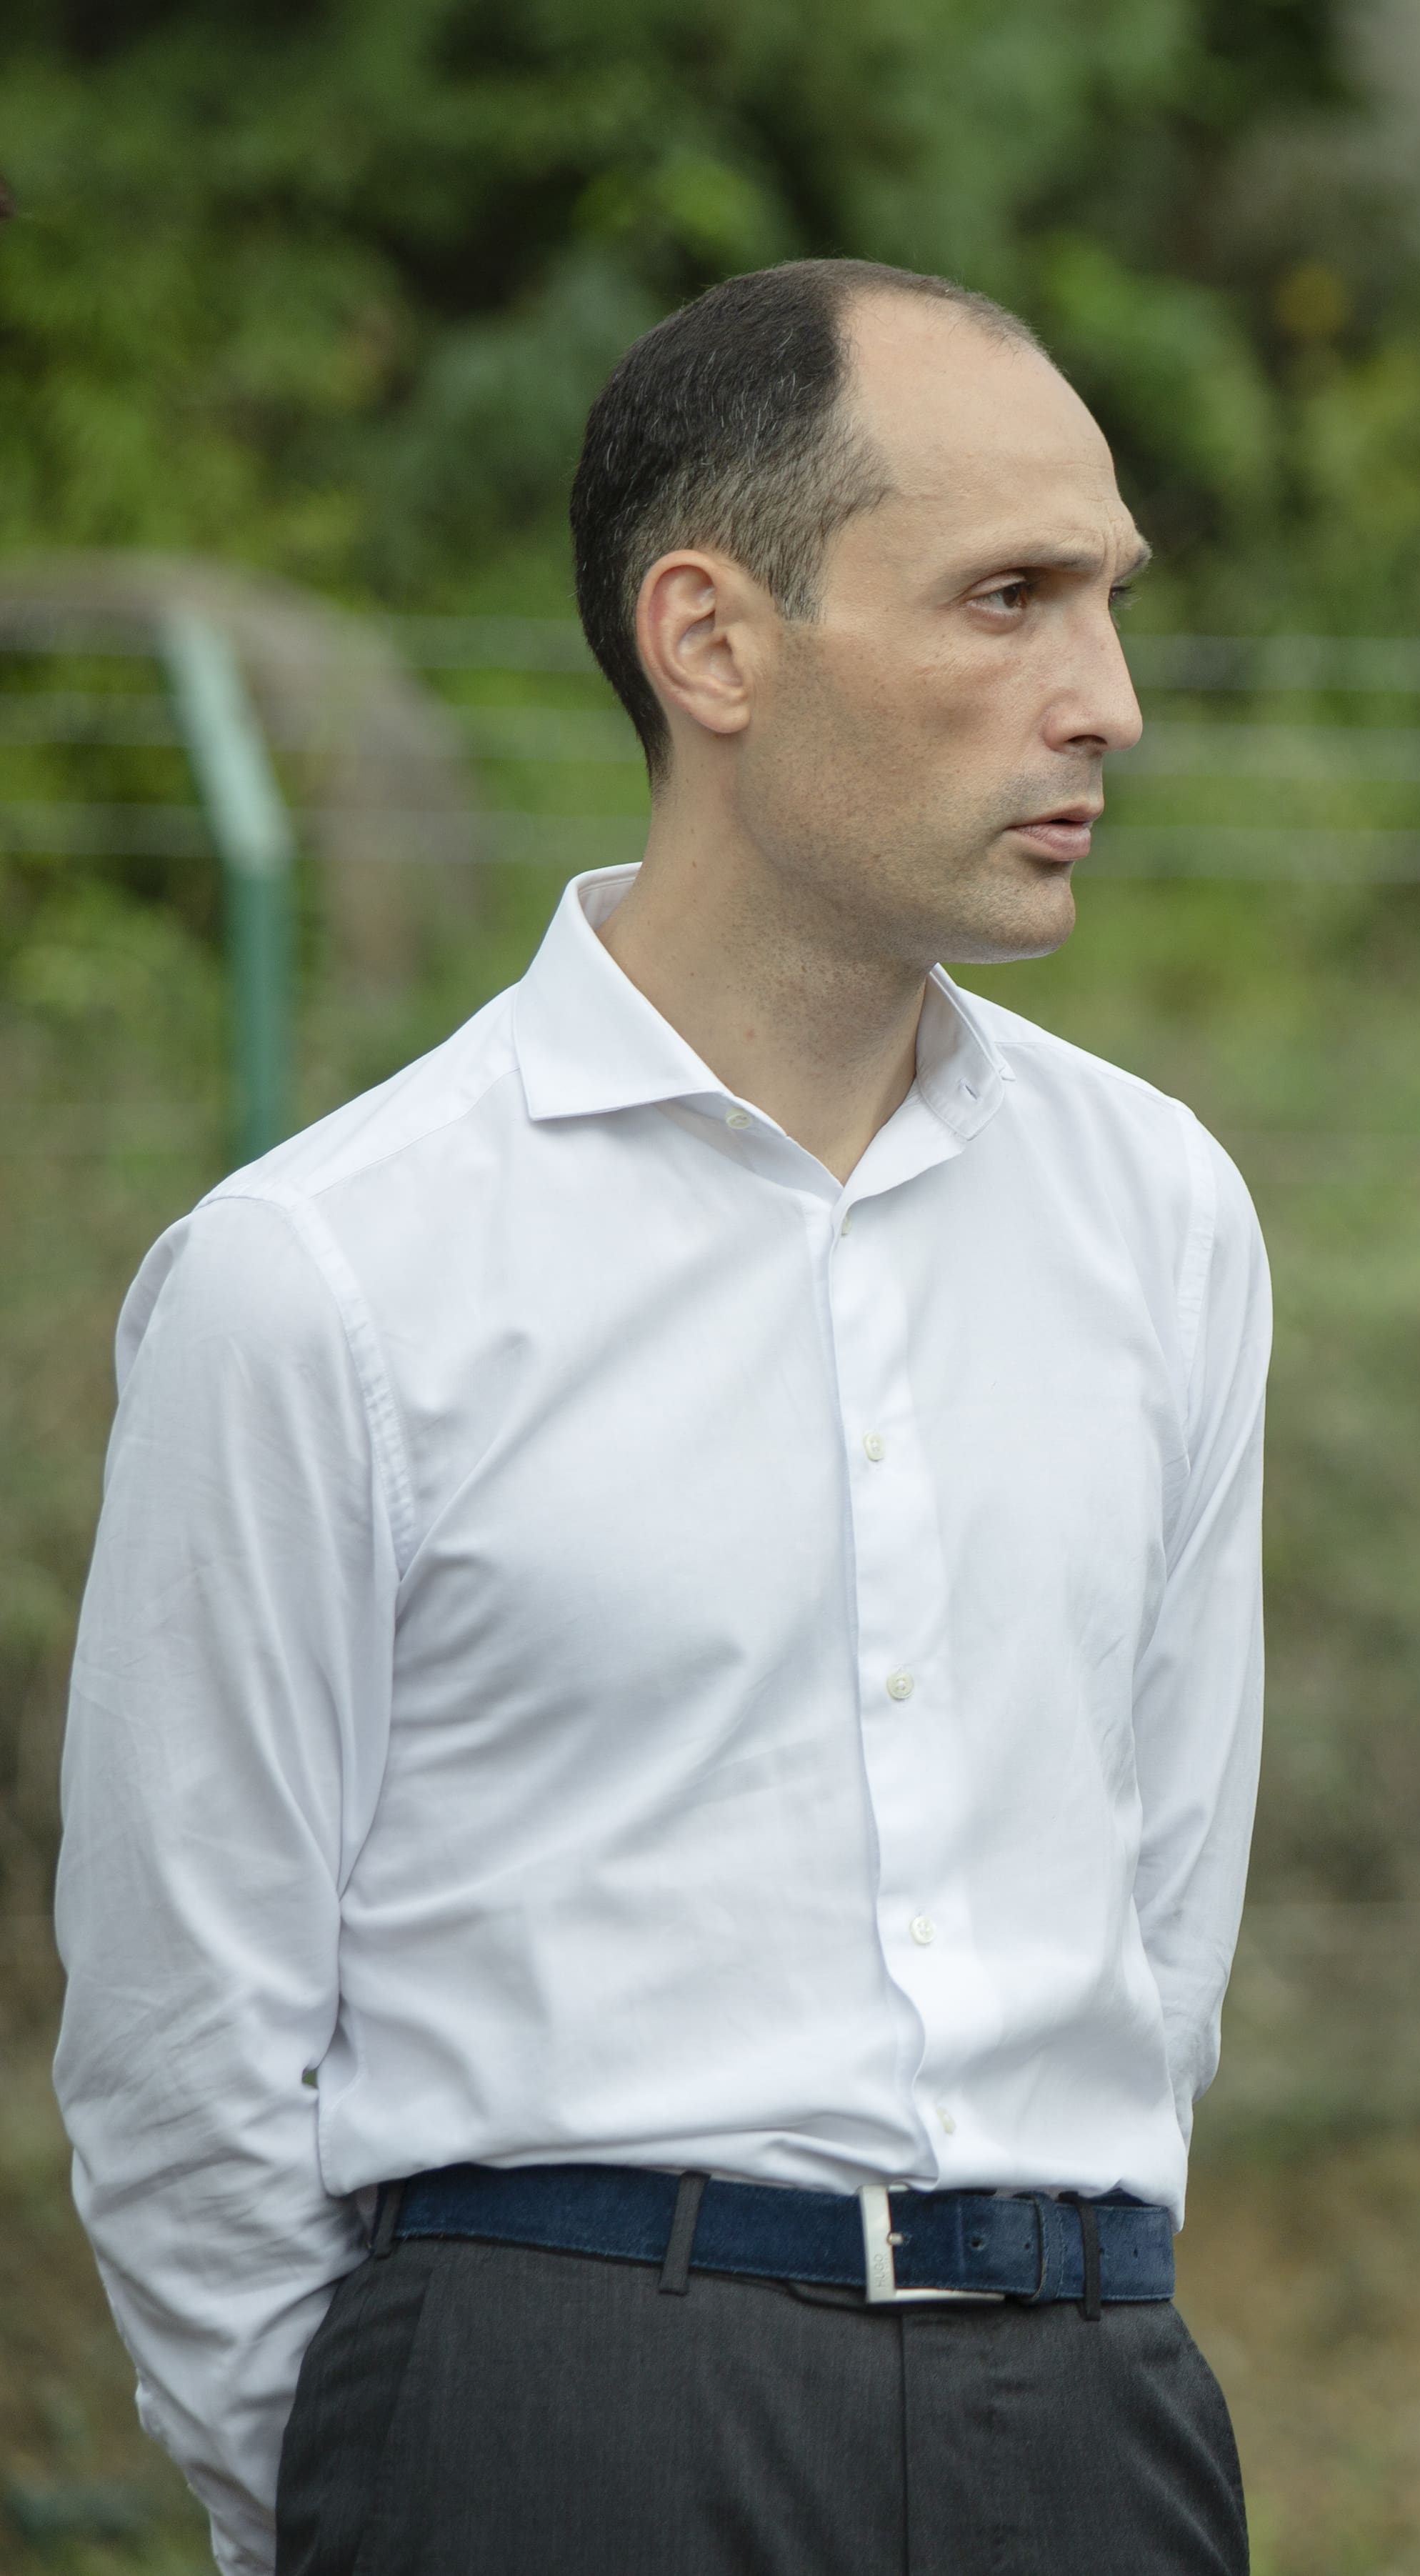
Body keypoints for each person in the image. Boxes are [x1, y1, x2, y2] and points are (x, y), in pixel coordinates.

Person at [55, 259, 1268, 2575]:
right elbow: (182, 2042)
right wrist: (385, 2504)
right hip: (550, 2418)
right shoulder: (322, 1277)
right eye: (1007, 598)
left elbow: (1163, 1907)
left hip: (1082, 2413)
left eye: (1110, 600)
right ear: (711, 640)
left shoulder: (1165, 1217)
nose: (1104, 700)